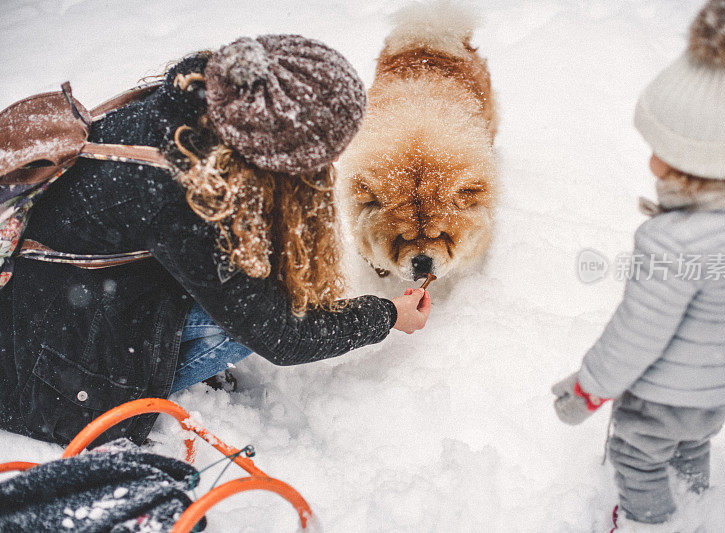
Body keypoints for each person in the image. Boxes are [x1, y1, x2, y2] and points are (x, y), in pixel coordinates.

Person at [0, 34, 431, 446]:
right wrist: (388, 314)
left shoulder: (192, 108)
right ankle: (128, 386)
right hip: (51, 375)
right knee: (256, 313)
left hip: (46, 306)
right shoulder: (181, 195)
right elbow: (282, 335)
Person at [550, 0, 725, 530]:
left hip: (669, 391)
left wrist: (588, 388)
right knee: (690, 441)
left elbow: (637, 334)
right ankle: (695, 498)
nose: (650, 160)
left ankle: (651, 523)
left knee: (637, 454)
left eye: (661, 150)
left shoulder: (675, 245)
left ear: (699, 164)